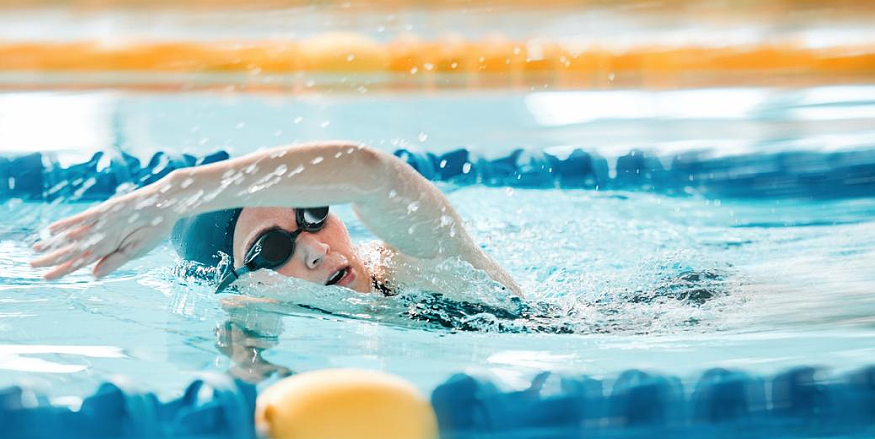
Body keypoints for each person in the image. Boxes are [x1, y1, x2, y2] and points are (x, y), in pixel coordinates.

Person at [31, 141, 523, 302]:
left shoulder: (423, 263)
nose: (315, 249)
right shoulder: (252, 314)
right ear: (244, 286)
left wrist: (176, 193)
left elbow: (371, 173)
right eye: (270, 250)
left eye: (313, 215)